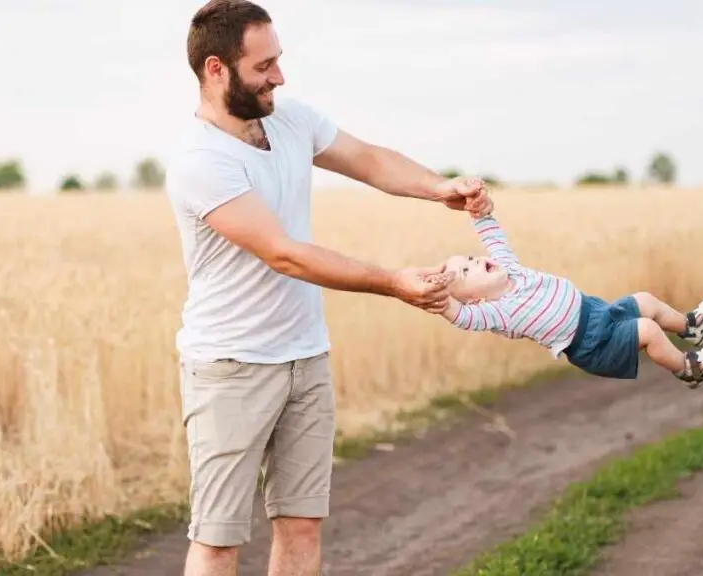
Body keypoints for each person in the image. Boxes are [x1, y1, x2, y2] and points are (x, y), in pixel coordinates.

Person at [164, 1, 490, 574]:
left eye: (279, 61)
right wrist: (392, 282)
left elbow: (368, 161)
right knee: (218, 539)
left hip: (306, 359)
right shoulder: (201, 161)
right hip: (231, 367)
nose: (280, 77)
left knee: (301, 526)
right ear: (216, 69)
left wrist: (439, 187)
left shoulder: (291, 119)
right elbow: (284, 254)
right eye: (264, 66)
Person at [425, 190, 703, 387]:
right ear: (476, 300)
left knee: (645, 301)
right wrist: (442, 299)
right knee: (646, 329)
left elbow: (493, 238)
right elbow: (463, 318)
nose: (475, 261)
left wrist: (478, 213)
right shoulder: (498, 312)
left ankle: (690, 327)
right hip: (590, 344)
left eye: (469, 258)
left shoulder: (510, 269)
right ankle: (687, 368)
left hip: (598, 312)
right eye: (466, 271)